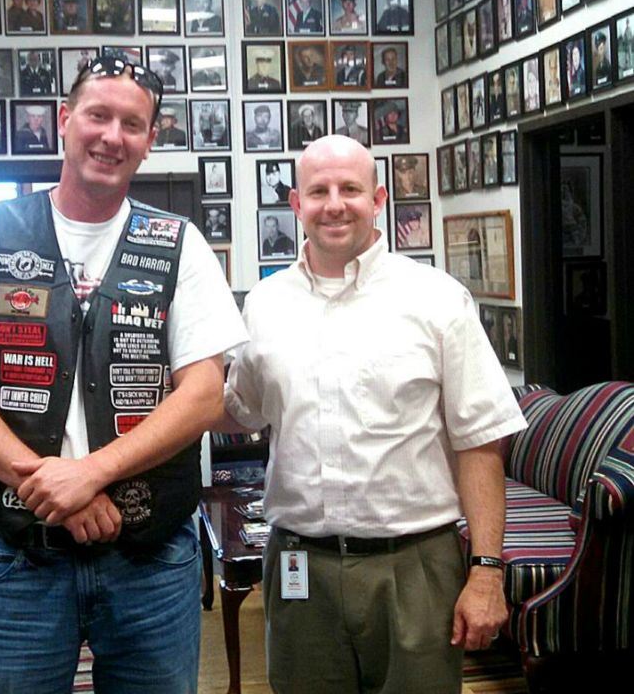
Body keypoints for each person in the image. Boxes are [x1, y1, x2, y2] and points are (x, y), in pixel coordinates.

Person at [0, 55, 247, 693]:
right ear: (64, 121)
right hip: (17, 555)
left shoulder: (181, 243)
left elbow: (202, 396)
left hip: (151, 557)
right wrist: (51, 489)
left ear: (150, 141)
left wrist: (90, 474)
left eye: (133, 123)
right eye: (97, 115)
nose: (111, 136)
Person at [221, 135, 525, 694]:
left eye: (350, 189)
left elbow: (479, 441)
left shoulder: (437, 299)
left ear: (379, 198)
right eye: (318, 191)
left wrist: (486, 570)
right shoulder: (264, 304)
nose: (334, 203)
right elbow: (240, 411)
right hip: (299, 570)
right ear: (296, 204)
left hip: (415, 568)